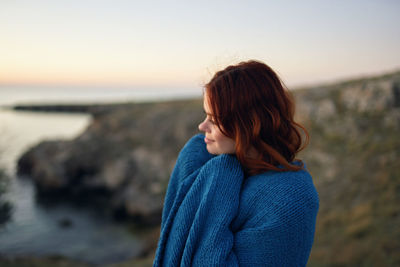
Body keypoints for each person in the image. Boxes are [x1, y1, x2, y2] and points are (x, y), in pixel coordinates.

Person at [153, 60, 319, 266]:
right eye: (206, 115)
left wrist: (221, 179)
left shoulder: (288, 198)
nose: (202, 125)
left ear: (249, 124)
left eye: (215, 119)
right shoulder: (197, 158)